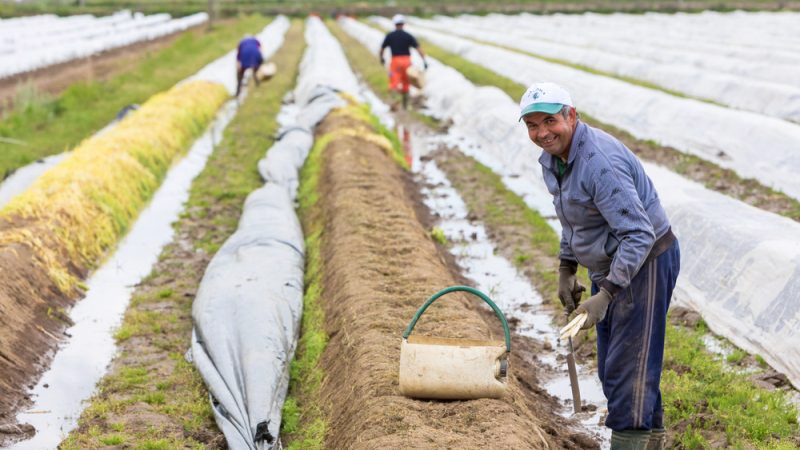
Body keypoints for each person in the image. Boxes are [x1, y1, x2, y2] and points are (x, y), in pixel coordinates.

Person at [519, 82, 680, 449]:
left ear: (571, 116)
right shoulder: (554, 160)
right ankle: (650, 441)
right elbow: (575, 220)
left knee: (629, 367)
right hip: (612, 263)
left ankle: (630, 441)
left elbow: (638, 234)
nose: (542, 133)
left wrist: (606, 294)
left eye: (550, 121)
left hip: (645, 260)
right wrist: (566, 267)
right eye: (532, 125)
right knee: (616, 367)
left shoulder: (598, 162)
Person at [379, 14, 428, 110]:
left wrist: (381, 58)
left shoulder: (390, 36)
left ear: (395, 24)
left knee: (394, 82)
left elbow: (382, 49)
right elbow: (419, 49)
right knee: (406, 83)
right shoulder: (408, 36)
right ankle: (405, 106)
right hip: (407, 61)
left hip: (395, 61)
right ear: (403, 24)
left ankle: (394, 104)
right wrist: (424, 60)